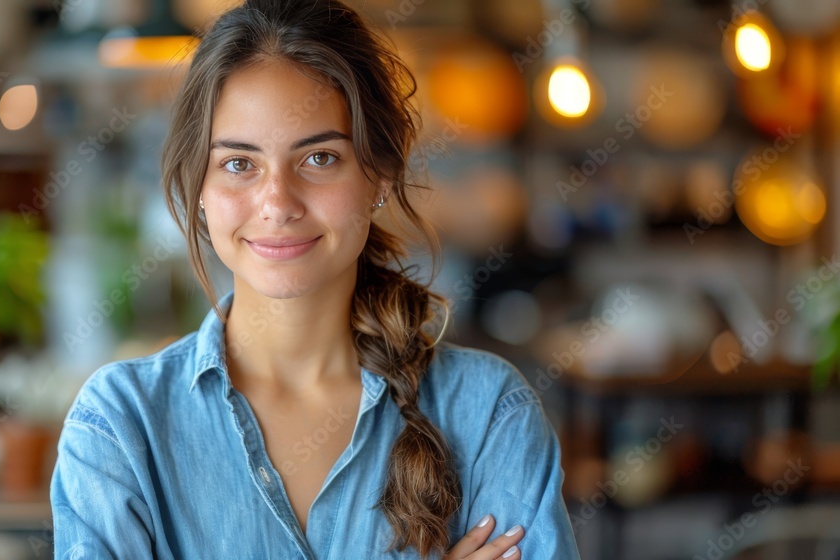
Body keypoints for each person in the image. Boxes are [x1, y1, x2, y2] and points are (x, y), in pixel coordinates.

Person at [50, 1, 580, 558]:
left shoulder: (490, 412)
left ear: (380, 173)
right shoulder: (119, 426)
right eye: (238, 163)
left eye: (320, 158)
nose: (277, 203)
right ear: (198, 188)